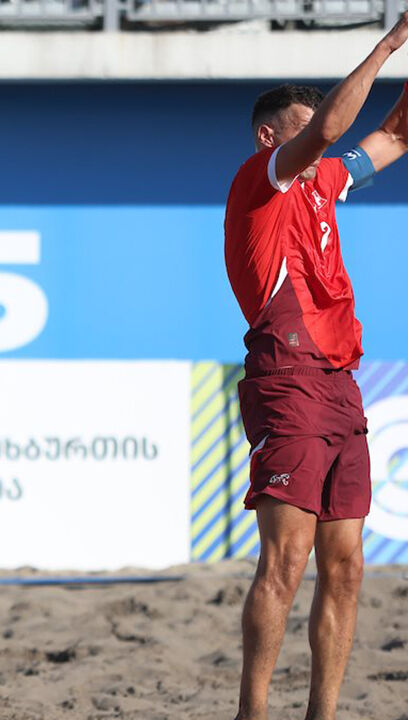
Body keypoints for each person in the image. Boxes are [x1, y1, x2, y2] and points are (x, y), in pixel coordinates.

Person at [223, 15, 408, 720]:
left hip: (339, 383)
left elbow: (395, 135)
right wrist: (389, 44)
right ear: (270, 137)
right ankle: (252, 713)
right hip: (286, 377)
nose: (319, 140)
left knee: (347, 566)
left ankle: (321, 716)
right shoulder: (259, 181)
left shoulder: (324, 183)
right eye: (301, 129)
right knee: (286, 561)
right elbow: (330, 127)